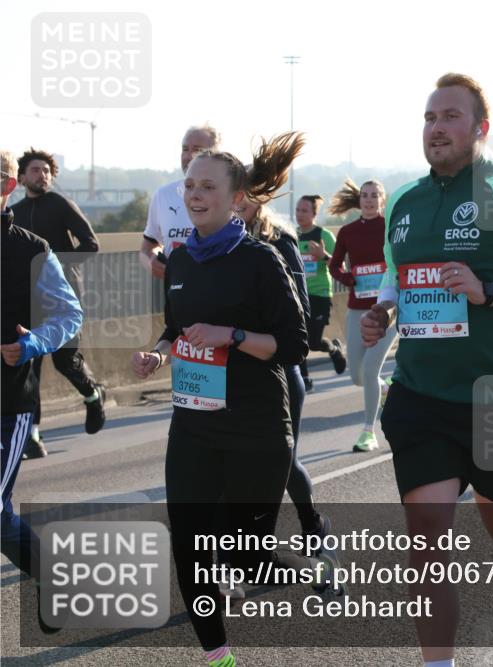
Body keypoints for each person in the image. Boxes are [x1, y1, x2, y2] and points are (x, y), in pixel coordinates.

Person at [361, 73, 493, 667]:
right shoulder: (404, 201)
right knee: (426, 540)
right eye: (429, 117)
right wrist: (382, 311)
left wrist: (490, 292)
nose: (436, 127)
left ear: (480, 128)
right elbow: (399, 276)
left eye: (450, 116)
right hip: (421, 394)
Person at [131, 132, 330, 667]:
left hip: (256, 426)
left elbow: (294, 344)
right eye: (189, 185)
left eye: (207, 187)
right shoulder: (180, 262)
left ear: (236, 195)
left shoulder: (262, 260)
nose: (194, 195)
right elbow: (175, 329)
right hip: (193, 424)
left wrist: (233, 336)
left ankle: (296, 563)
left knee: (247, 557)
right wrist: (158, 353)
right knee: (190, 550)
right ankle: (219, 657)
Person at [1, 148, 83, 633]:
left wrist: (32, 342)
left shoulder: (31, 248)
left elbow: (69, 314)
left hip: (7, 402)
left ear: (9, 186)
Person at [234, 196, 331, 550]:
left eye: (243, 196)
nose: (234, 203)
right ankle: (245, 550)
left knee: (282, 461)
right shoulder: (215, 242)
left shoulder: (280, 240)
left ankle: (313, 525)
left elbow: (300, 315)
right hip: (230, 374)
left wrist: (246, 330)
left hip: (279, 370)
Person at [11, 148, 105, 459]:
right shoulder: (17, 212)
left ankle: (93, 396)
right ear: (22, 177)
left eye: (47, 171)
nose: (42, 175)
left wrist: (53, 267)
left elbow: (92, 243)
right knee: (30, 367)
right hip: (28, 300)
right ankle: (32, 437)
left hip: (63, 296)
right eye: (35, 170)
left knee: (66, 361)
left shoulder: (61, 204)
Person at [328, 178, 396, 452]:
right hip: (357, 308)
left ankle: (368, 431)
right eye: (365, 195)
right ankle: (385, 389)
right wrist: (348, 278)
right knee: (357, 375)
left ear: (382, 200)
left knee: (369, 369)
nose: (369, 200)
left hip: (386, 310)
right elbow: (333, 266)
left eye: (374, 195)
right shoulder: (347, 231)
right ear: (359, 200)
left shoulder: (390, 228)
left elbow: (402, 259)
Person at [140, 125, 222, 277]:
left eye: (197, 150)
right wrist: (151, 260)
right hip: (176, 296)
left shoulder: (229, 196)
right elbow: (148, 246)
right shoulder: (163, 195)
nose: (189, 156)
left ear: (216, 155)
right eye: (185, 149)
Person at [295, 194, 347, 390]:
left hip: (320, 293)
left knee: (314, 342)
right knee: (299, 338)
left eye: (304, 211)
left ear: (314, 214)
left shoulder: (324, 236)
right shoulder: (293, 235)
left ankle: (333, 348)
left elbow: (339, 265)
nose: (300, 214)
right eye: (298, 210)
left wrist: (323, 255)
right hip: (299, 294)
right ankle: (305, 380)